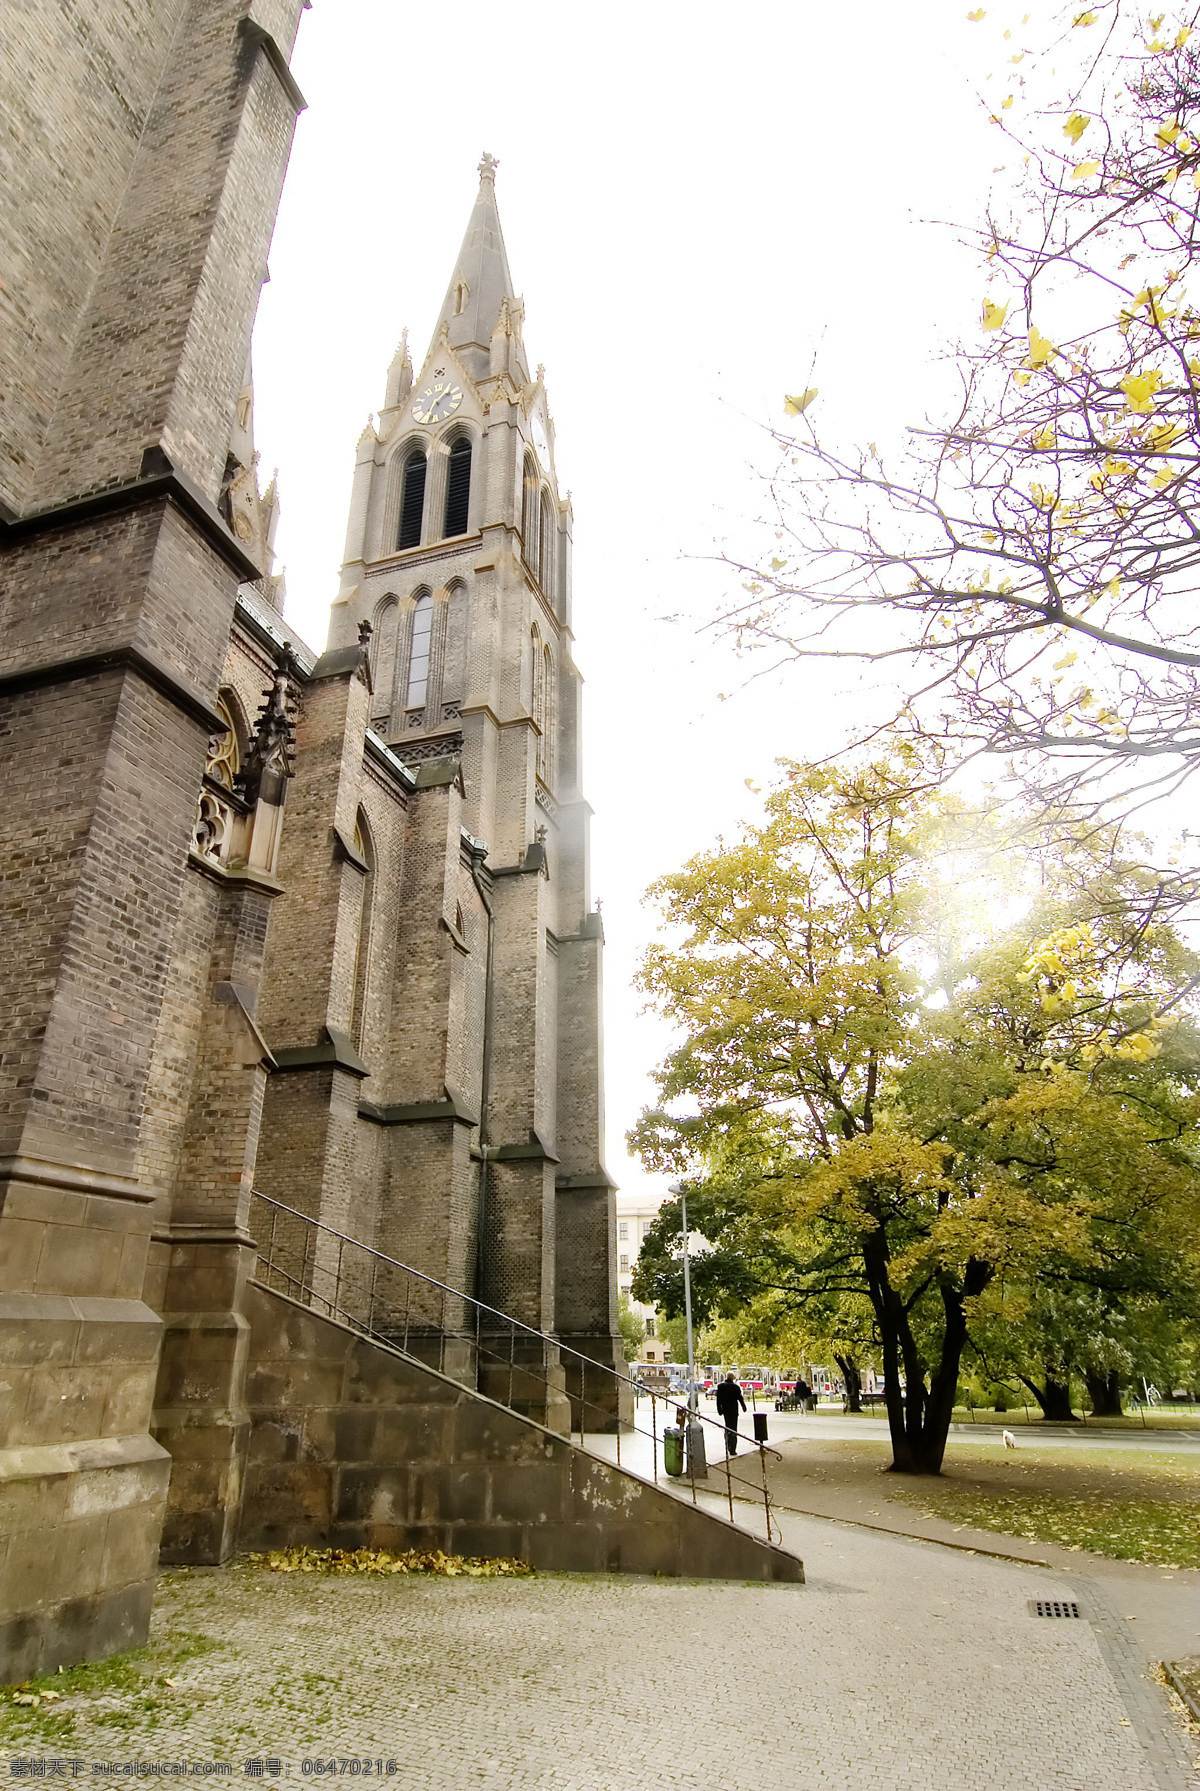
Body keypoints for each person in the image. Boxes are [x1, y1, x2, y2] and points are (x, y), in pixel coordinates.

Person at [714, 1373, 747, 1455]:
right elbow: (740, 1398)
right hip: (734, 1410)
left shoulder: (721, 1386)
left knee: (727, 1426)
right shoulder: (735, 1387)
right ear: (733, 1378)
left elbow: (718, 1399)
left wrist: (719, 1409)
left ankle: (727, 1444)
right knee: (734, 1428)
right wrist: (744, 1407)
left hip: (726, 1410)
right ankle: (732, 1448)